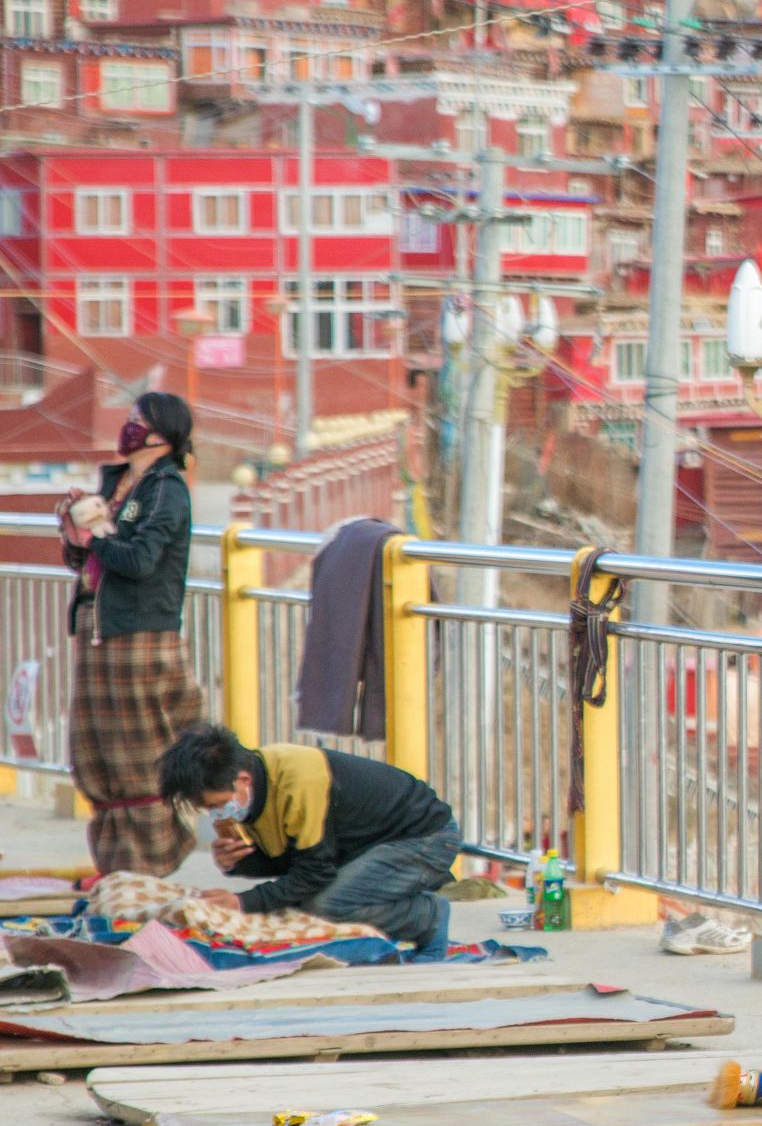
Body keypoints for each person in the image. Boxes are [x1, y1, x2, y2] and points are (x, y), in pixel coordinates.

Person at [157, 722, 463, 958]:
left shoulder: (298, 782)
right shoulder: (255, 783)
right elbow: (292, 861)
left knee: (323, 906)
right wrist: (238, 862)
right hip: (367, 846)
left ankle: (427, 916)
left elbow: (314, 872)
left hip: (426, 838)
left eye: (215, 805)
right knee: (300, 901)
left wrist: (242, 901)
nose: (217, 815)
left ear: (242, 781)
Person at [60, 392, 206, 878]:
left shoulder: (166, 489)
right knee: (96, 748)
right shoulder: (121, 483)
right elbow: (93, 560)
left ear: (161, 434)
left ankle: (147, 866)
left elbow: (141, 561)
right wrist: (77, 533)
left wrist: (100, 531)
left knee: (141, 754)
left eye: (136, 420)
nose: (128, 427)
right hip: (100, 630)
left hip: (139, 635)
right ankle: (116, 864)